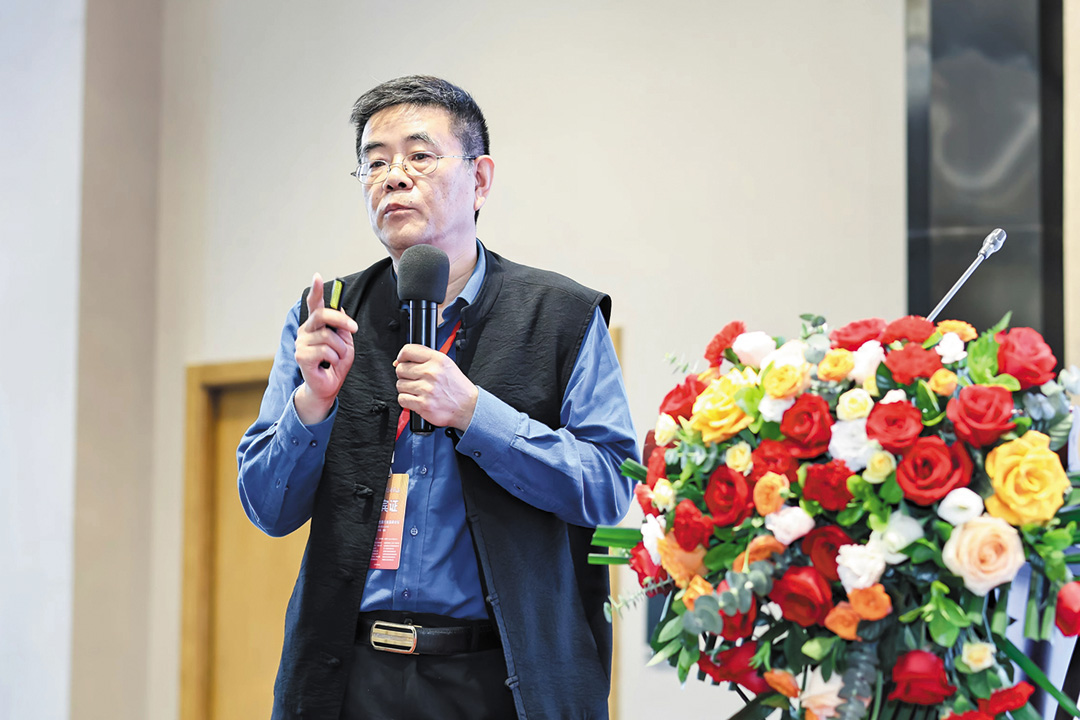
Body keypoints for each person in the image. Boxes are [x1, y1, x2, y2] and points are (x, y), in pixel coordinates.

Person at [237, 75, 638, 720]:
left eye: (419, 156)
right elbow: (268, 508)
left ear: (479, 180)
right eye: (374, 163)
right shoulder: (327, 319)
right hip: (350, 677)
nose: (393, 177)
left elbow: (611, 485)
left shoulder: (561, 315)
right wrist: (311, 404)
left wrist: (477, 415)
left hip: (503, 679)